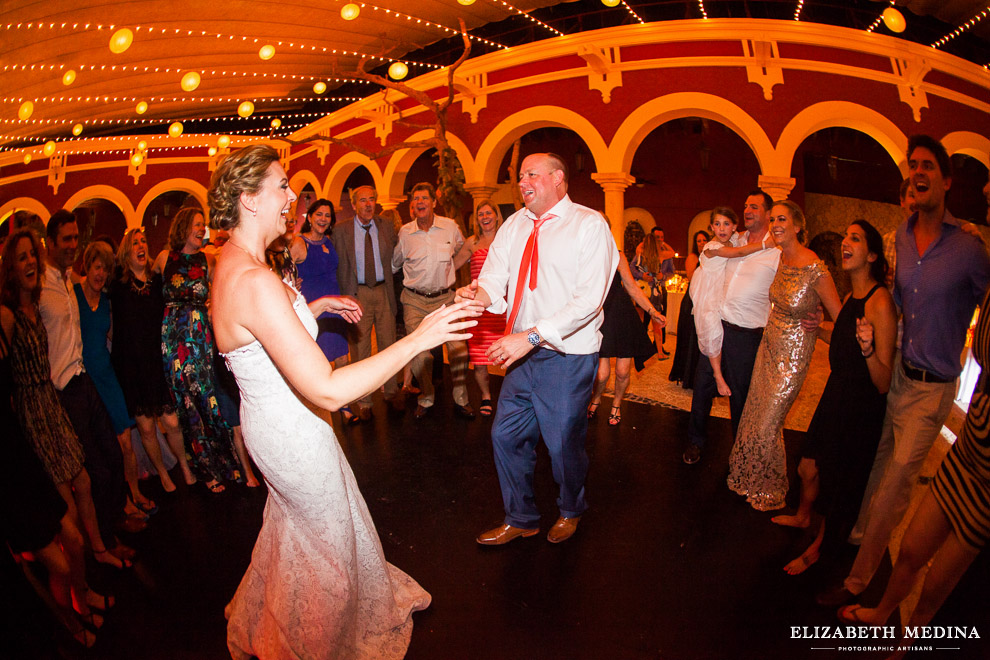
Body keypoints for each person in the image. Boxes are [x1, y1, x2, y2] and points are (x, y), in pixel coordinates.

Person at [209, 144, 476, 659]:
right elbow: (328, 390)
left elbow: (256, 332)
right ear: (248, 199)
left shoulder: (235, 263)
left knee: (296, 533)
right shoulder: (255, 279)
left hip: (272, 423)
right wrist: (420, 339)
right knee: (327, 549)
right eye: (281, 187)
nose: (293, 198)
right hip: (293, 435)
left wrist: (311, 306)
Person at [817, 134, 990, 608]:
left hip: (931, 391)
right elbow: (897, 298)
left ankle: (856, 585)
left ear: (947, 180)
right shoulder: (900, 236)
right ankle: (850, 546)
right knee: (874, 471)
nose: (919, 172)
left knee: (895, 488)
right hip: (895, 376)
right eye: (913, 164)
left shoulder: (970, 250)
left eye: (929, 165)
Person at [457, 152, 619, 545]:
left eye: (532, 174)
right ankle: (521, 517)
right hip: (522, 354)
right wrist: (477, 295)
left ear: (558, 178)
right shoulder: (514, 224)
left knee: (563, 443)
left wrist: (529, 336)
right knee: (505, 436)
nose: (522, 182)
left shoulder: (589, 225)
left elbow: (588, 303)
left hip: (567, 355)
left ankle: (570, 508)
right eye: (520, 176)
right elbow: (495, 279)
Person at [835, 286, 990, 660]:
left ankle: (905, 647)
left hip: (988, 484)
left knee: (938, 584)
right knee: (910, 550)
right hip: (967, 452)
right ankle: (881, 612)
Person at [772, 220, 896, 574]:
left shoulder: (880, 302)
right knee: (807, 466)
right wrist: (822, 330)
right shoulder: (850, 297)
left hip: (859, 407)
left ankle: (818, 551)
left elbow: (884, 381)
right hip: (835, 394)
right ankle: (802, 516)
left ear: (871, 255)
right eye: (846, 236)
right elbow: (847, 341)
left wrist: (869, 350)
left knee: (840, 486)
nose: (845, 242)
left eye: (855, 238)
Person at [2, 229, 128, 570]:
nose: (30, 261)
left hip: (63, 391)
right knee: (70, 493)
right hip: (39, 404)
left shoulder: (55, 287)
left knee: (90, 476)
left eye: (32, 254)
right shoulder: (11, 313)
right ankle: (83, 567)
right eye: (22, 257)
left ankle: (100, 547)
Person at [726, 200, 842, 511]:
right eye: (773, 218)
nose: (776, 224)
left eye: (782, 219)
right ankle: (750, 478)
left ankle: (770, 487)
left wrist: (820, 325)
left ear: (798, 225)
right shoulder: (781, 259)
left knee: (767, 423)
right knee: (753, 415)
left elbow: (839, 316)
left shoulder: (815, 267)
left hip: (793, 355)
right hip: (769, 345)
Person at [39, 211, 133, 559]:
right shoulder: (42, 285)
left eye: (75, 238)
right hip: (64, 390)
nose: (72, 245)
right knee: (96, 470)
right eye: (66, 239)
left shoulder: (67, 280)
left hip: (84, 380)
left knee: (113, 456)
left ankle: (114, 524)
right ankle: (103, 544)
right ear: (50, 241)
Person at [682, 191, 784, 466]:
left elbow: (785, 291)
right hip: (717, 323)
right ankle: (695, 441)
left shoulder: (777, 252)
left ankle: (740, 452)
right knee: (702, 386)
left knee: (740, 395)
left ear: (767, 213)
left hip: (746, 333)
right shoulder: (733, 241)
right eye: (746, 205)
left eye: (754, 206)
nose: (748, 209)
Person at [152, 207, 246, 493]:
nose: (202, 229)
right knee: (185, 403)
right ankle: (204, 470)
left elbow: (224, 292)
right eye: (197, 224)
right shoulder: (164, 259)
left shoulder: (209, 260)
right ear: (182, 227)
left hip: (200, 336)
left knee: (207, 399)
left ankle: (227, 465)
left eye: (203, 225)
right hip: (172, 337)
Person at [75, 242, 157, 516]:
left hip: (106, 374)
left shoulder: (107, 302)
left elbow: (115, 336)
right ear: (87, 266)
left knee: (125, 440)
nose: (101, 275)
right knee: (101, 447)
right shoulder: (73, 295)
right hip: (83, 378)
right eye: (98, 268)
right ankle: (115, 503)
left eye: (106, 270)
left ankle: (134, 493)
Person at [110, 227, 185, 492]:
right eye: (134, 243)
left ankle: (185, 467)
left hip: (157, 360)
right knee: (146, 427)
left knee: (172, 422)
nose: (141, 246)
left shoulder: (157, 281)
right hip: (131, 365)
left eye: (143, 241)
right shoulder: (116, 286)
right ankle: (163, 474)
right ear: (125, 252)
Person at [392, 181, 474, 420]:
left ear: (434, 202)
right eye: (416, 199)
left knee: (458, 350)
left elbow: (460, 250)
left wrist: (451, 269)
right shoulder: (405, 233)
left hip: (446, 300)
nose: (420, 202)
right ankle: (426, 397)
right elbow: (396, 263)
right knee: (421, 354)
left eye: (424, 198)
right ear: (412, 205)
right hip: (414, 302)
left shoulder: (450, 228)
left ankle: (461, 399)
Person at [332, 185, 402, 418]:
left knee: (388, 345)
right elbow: (334, 264)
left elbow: (398, 255)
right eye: (363, 200)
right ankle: (364, 401)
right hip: (356, 295)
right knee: (359, 350)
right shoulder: (341, 231)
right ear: (353, 204)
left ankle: (391, 392)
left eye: (371, 199)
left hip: (383, 292)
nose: (368, 204)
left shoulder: (385, 226)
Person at [690, 207, 775, 398]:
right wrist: (765, 245)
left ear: (734, 227)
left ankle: (719, 375)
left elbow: (744, 236)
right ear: (711, 227)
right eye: (717, 224)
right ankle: (718, 376)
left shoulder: (734, 238)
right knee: (712, 332)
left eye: (726, 224)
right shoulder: (712, 247)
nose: (721, 228)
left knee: (720, 336)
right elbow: (738, 253)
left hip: (721, 292)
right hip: (708, 292)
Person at [291, 199, 355, 424]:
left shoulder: (329, 241)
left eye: (327, 216)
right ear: (309, 217)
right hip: (314, 308)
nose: (323, 219)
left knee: (342, 357)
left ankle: (343, 403)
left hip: (334, 306)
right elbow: (283, 268)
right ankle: (317, 407)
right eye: (319, 214)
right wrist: (291, 284)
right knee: (317, 360)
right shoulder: (300, 243)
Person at [587, 249, 663, 426]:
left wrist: (652, 311)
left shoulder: (617, 254)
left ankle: (616, 404)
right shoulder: (585, 250)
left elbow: (631, 287)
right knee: (602, 374)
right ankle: (596, 399)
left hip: (621, 314)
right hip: (600, 314)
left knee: (622, 371)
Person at [460, 200, 506, 416]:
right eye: (481, 214)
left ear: (497, 216)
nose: (485, 217)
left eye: (489, 212)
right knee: (479, 358)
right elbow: (451, 263)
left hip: (504, 307)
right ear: (476, 219)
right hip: (479, 308)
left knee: (510, 355)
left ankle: (511, 397)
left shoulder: (507, 240)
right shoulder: (472, 243)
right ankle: (486, 396)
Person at [668, 229, 710, 388]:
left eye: (704, 240)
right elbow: (692, 278)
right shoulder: (693, 257)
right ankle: (684, 374)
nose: (701, 243)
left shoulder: (711, 257)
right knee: (689, 337)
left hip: (704, 299)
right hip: (691, 300)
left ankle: (697, 375)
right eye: (698, 241)